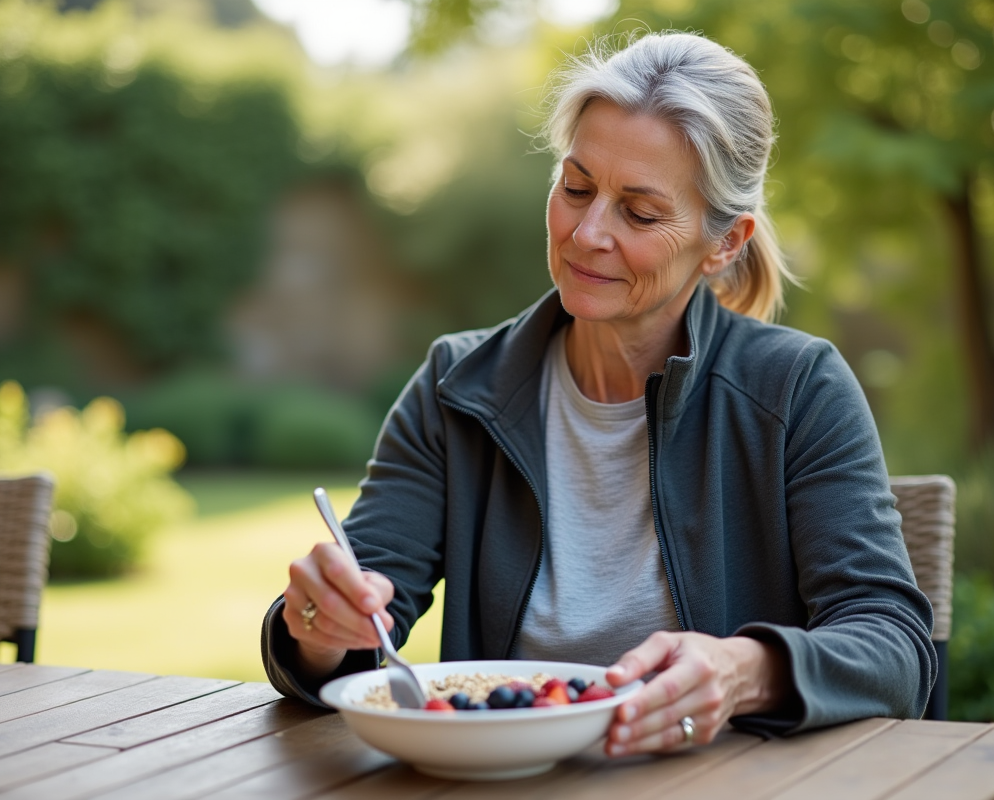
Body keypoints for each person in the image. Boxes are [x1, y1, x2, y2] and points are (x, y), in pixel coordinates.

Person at [261, 30, 935, 756]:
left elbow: (893, 645)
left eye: (639, 213)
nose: (587, 233)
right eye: (576, 187)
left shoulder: (798, 389)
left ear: (725, 243)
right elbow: (362, 621)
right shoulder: (457, 387)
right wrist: (320, 626)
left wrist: (745, 671)